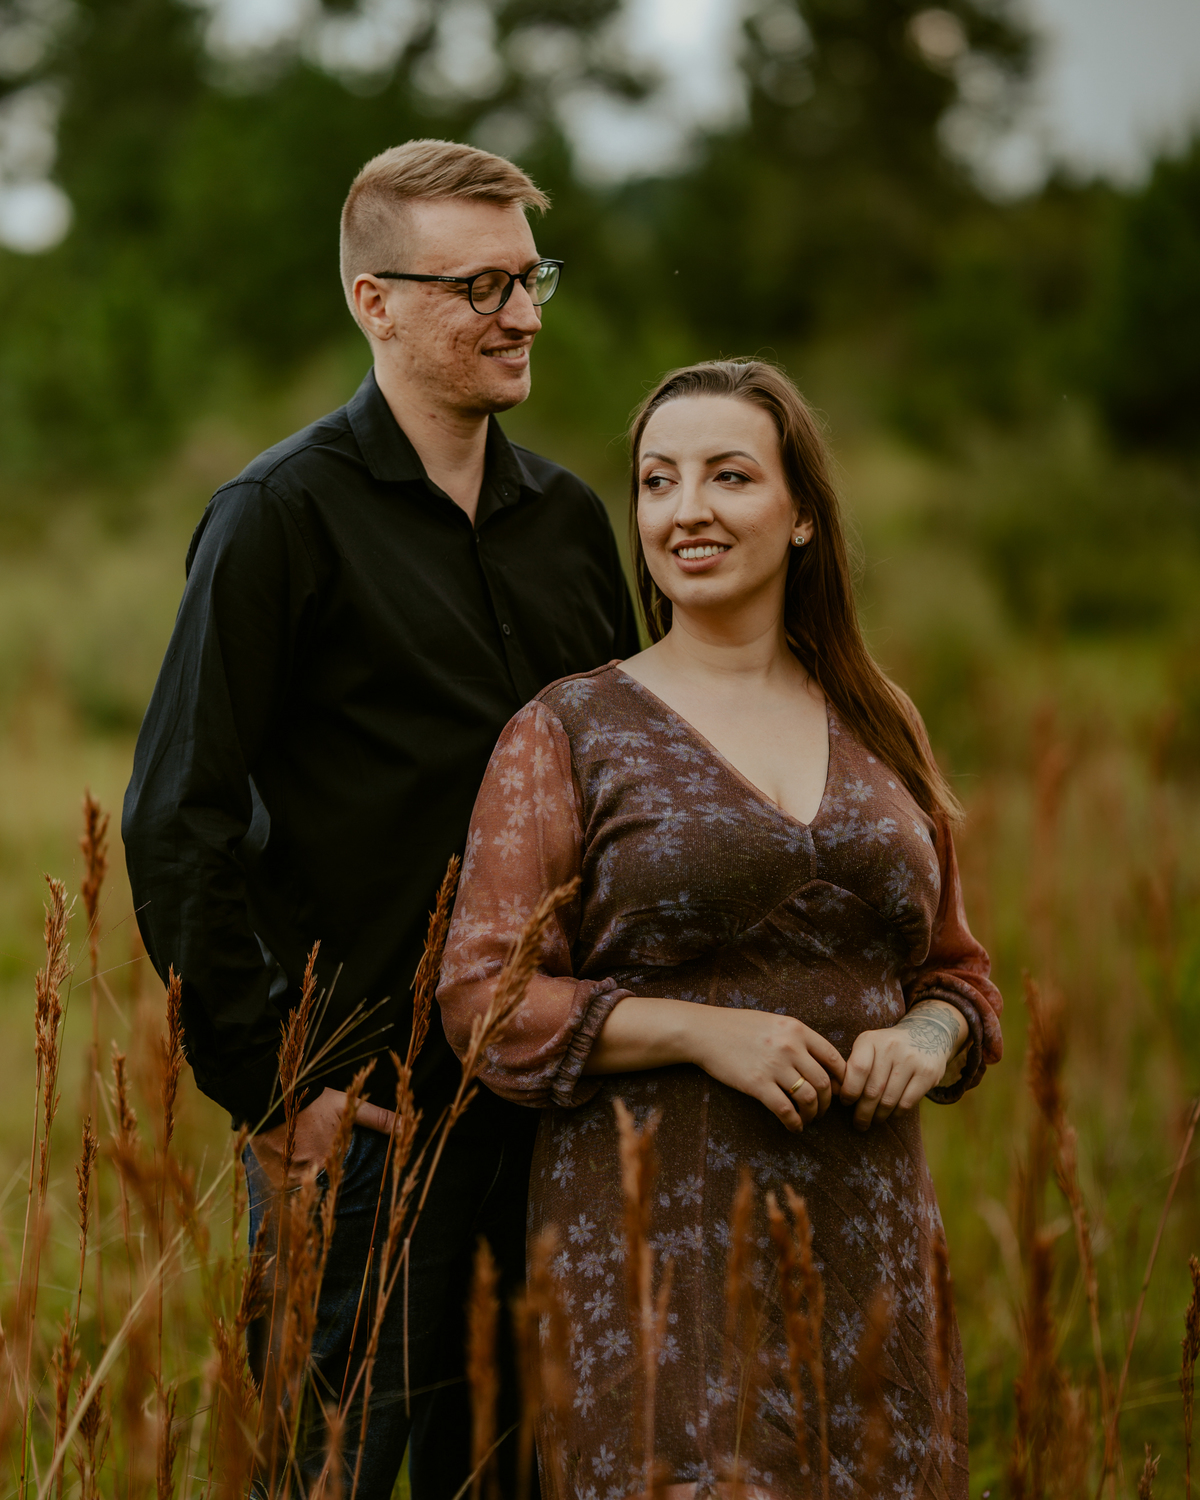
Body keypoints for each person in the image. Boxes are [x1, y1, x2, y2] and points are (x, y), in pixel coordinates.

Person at [122, 138, 640, 1498]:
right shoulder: (277, 516)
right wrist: (272, 1087)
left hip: (556, 1103)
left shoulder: (572, 522)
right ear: (376, 302)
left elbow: (627, 786)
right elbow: (176, 813)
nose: (522, 316)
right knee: (327, 1468)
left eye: (531, 278)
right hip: (364, 1120)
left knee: (534, 1471)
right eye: (481, 287)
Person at [437, 359, 1004, 1497]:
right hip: (660, 1239)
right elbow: (485, 1002)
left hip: (872, 1232)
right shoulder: (571, 729)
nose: (686, 510)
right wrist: (703, 1033)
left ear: (802, 516)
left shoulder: (881, 717)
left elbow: (958, 974)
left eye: (728, 476)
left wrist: (926, 1039)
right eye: (658, 481)